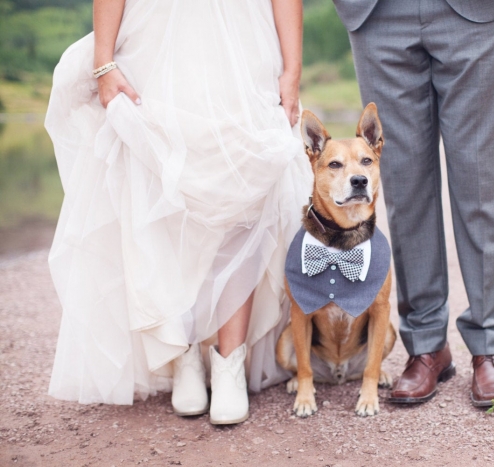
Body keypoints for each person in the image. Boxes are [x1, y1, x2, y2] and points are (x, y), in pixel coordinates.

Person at [45, 0, 311, 424]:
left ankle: (229, 362)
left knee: (244, 187)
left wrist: (292, 70)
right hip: (156, 36)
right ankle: (181, 351)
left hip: (245, 36)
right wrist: (103, 62)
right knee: (160, 191)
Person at [333, 0, 494, 406]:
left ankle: (489, 340)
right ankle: (426, 344)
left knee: (481, 180)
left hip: (477, 14)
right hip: (378, 13)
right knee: (404, 185)